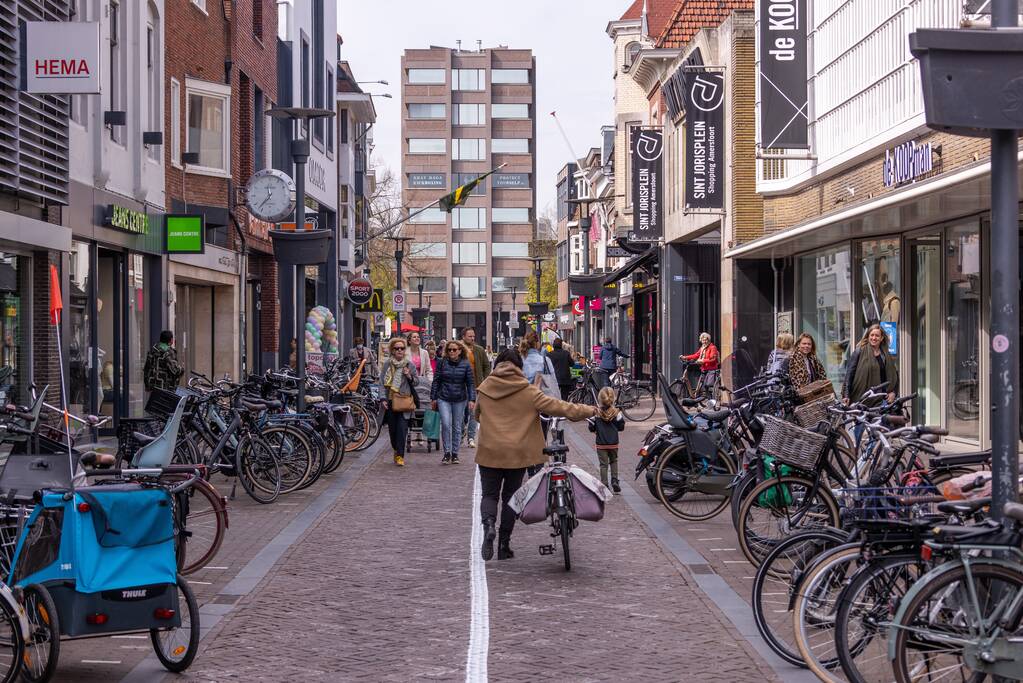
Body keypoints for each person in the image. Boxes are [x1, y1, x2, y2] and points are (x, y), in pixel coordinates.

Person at [474, 349, 597, 561]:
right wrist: (591, 410)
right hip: (517, 453)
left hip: (490, 451)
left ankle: (488, 526)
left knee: (489, 495)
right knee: (511, 498)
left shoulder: (484, 389)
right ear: (519, 367)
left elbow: (477, 414)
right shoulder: (528, 391)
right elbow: (561, 407)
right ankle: (504, 544)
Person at [431, 341, 475, 465]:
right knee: (445, 424)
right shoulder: (441, 363)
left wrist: (472, 399)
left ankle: (455, 454)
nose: (451, 352)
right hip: (443, 397)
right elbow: (436, 381)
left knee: (457, 426)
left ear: (460, 351)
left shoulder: (466, 364)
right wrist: (433, 398)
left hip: (460, 399)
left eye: (454, 350)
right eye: (449, 350)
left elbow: (470, 383)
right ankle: (447, 453)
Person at [379, 337, 419, 467]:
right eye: (397, 348)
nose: (400, 351)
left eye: (402, 348)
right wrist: (383, 398)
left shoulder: (409, 365)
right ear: (392, 350)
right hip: (390, 401)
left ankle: (400, 456)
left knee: (402, 430)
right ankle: (396, 449)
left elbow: (417, 382)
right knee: (393, 431)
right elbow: (381, 383)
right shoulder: (387, 364)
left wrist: (409, 375)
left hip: (403, 402)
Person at [843, 324, 897, 405]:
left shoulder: (886, 354)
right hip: (861, 399)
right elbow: (849, 374)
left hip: (882, 400)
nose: (874, 338)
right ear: (868, 336)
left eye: (877, 336)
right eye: (872, 335)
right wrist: (846, 395)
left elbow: (894, 376)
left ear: (881, 338)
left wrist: (893, 392)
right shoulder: (859, 351)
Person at [589, 387, 625, 492]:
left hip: (601, 443)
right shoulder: (617, 413)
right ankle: (614, 480)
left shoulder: (596, 413)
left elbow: (591, 427)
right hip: (613, 442)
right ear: (612, 399)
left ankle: (604, 483)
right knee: (614, 461)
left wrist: (595, 429)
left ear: (600, 399)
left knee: (603, 465)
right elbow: (621, 427)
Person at [461, 327, 491, 448]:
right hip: (460, 387)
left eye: (473, 336)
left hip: (475, 386)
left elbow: (486, 366)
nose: (472, 338)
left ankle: (471, 437)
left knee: (473, 413)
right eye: (470, 336)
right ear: (463, 337)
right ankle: (462, 431)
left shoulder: (479, 350)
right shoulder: (458, 349)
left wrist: (484, 381)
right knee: (462, 413)